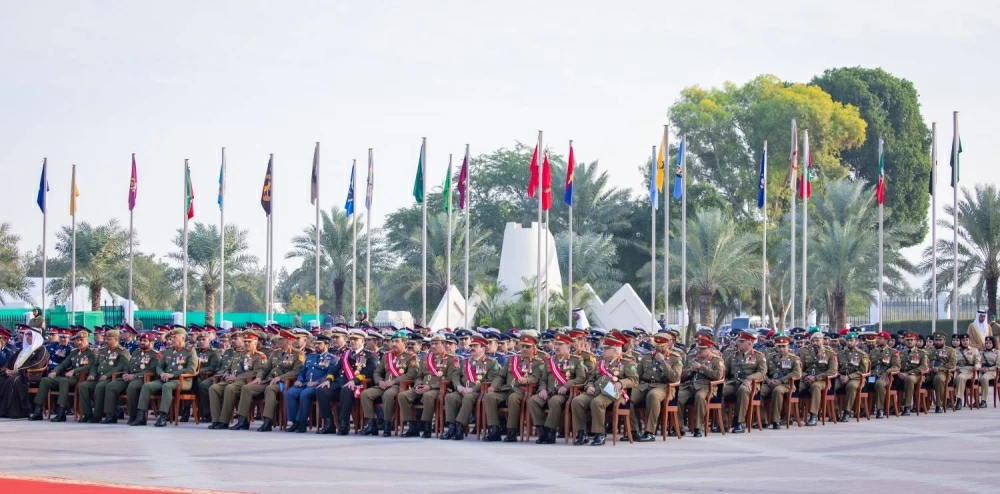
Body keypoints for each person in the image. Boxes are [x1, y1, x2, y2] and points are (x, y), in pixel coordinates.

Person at [570, 334, 638, 446]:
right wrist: (589, 386)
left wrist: (621, 383)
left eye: (607, 348)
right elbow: (591, 379)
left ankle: (599, 434)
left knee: (597, 403)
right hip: (596, 390)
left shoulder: (627, 362)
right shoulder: (600, 362)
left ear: (615, 350)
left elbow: (634, 380)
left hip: (613, 391)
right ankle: (582, 433)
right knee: (577, 401)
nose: (603, 350)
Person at [483, 332, 545, 443]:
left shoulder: (537, 363)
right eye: (523, 346)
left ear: (534, 347)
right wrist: (493, 386)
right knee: (489, 396)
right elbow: (500, 376)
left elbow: (536, 378)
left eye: (528, 346)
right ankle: (494, 429)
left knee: (513, 398)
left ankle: (511, 431)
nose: (524, 349)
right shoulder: (512, 360)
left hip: (521, 390)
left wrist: (526, 380)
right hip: (506, 388)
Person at [238, 330, 304, 432]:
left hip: (283, 383)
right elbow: (265, 368)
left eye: (281, 340)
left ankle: (267, 421)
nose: (278, 341)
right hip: (269, 380)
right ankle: (242, 420)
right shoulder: (275, 353)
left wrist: (280, 378)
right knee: (246, 388)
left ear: (288, 341)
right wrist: (259, 377)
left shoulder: (297, 354)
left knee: (270, 389)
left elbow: (296, 371)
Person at [132, 327, 199, 427]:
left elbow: (191, 369)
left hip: (182, 380)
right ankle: (141, 416)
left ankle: (163, 416)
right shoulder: (168, 351)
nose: (172, 340)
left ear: (182, 338)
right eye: (171, 337)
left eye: (175, 337)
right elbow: (159, 366)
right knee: (147, 386)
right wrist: (161, 373)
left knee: (166, 386)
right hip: (165, 378)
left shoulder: (190, 351)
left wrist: (173, 374)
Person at [399, 333, 460, 438]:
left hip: (438, 388)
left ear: (444, 344)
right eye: (432, 344)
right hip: (422, 386)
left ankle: (426, 427)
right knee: (402, 396)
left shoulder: (451, 359)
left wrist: (430, 387)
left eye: (436, 343)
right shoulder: (425, 358)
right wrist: (418, 385)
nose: (433, 346)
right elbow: (419, 376)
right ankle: (413, 426)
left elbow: (449, 378)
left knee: (428, 395)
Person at [442, 334, 501, 441]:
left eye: (475, 346)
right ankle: (451, 427)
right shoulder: (465, 361)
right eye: (471, 345)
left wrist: (473, 389)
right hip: (462, 390)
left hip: (478, 392)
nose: (472, 348)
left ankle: (460, 427)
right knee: (449, 397)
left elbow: (490, 380)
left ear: (483, 348)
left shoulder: (491, 363)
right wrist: (458, 386)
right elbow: (455, 375)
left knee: (468, 397)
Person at [317, 329, 375, 435]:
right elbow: (334, 370)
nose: (352, 342)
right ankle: (329, 423)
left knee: (346, 390)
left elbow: (369, 372)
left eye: (355, 339)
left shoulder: (368, 356)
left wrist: (354, 380)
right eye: (351, 339)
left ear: (363, 341)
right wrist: (328, 379)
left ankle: (344, 423)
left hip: (356, 386)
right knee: (321, 390)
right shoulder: (345, 355)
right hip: (339, 384)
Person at [628, 331, 683, 442]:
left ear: (668, 344)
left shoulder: (675, 358)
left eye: (661, 346)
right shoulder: (647, 356)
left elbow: (675, 378)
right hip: (645, 385)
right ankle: (634, 431)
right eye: (656, 346)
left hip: (664, 386)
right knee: (626, 398)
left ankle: (649, 432)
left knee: (652, 395)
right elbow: (638, 374)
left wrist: (662, 361)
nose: (658, 349)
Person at [359, 331, 417, 437]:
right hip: (384, 384)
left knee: (388, 395)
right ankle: (372, 424)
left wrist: (393, 381)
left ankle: (387, 424)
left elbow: (410, 375)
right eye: (393, 341)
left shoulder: (411, 357)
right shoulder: (387, 356)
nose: (394, 344)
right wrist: (379, 381)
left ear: (404, 343)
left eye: (397, 341)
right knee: (365, 394)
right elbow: (377, 372)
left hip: (399, 385)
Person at [33, 328, 96, 422]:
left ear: (87, 340)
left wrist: (74, 370)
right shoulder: (74, 352)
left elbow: (91, 366)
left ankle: (61, 411)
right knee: (45, 380)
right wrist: (55, 371)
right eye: (77, 340)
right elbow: (64, 364)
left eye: (82, 340)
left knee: (63, 380)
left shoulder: (92, 352)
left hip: (81, 377)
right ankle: (38, 411)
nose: (79, 342)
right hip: (71, 378)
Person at [210, 331, 267, 430]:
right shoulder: (237, 353)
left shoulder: (259, 356)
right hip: (230, 380)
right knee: (214, 388)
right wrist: (226, 376)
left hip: (244, 381)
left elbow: (256, 372)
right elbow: (228, 369)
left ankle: (224, 421)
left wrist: (237, 378)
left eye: (249, 342)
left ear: (255, 342)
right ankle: (216, 420)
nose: (246, 344)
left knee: (230, 389)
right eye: (245, 341)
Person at [104, 332, 160, 424]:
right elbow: (128, 366)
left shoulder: (155, 354)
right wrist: (125, 373)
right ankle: (111, 415)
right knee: (111, 386)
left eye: (145, 341)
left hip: (142, 378)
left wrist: (134, 376)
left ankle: (133, 415)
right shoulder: (136, 352)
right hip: (129, 376)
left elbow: (152, 371)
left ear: (152, 342)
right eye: (141, 340)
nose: (142, 342)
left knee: (132, 387)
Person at [77, 329, 130, 423]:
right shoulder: (102, 350)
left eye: (109, 339)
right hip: (98, 377)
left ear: (116, 339)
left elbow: (121, 367)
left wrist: (107, 375)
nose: (106, 341)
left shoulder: (122, 351)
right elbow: (95, 365)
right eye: (105, 338)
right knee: (83, 386)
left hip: (113, 378)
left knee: (100, 386)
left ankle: (98, 415)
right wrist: (92, 374)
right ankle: (88, 414)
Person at [285, 335, 333, 433]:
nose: (316, 346)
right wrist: (299, 380)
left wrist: (317, 382)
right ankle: (295, 422)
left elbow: (329, 374)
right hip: (305, 384)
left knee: (305, 394)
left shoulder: (331, 358)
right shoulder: (310, 356)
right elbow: (303, 371)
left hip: (318, 386)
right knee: (289, 393)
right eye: (315, 344)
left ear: (326, 345)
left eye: (319, 344)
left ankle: (301, 423)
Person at [722, 331, 767, 433]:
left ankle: (739, 422)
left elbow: (762, 372)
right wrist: (722, 380)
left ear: (750, 343)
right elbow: (725, 371)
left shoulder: (758, 356)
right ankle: (723, 422)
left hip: (750, 384)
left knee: (743, 390)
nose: (738, 343)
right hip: (733, 383)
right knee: (718, 391)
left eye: (742, 342)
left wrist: (749, 378)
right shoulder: (733, 355)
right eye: (738, 341)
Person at [1, 326, 49, 419]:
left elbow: (37, 364)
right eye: (27, 336)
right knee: (2, 378)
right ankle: (3, 410)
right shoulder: (23, 350)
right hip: (17, 373)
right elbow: (10, 361)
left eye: (30, 336)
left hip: (31, 376)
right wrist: (6, 369)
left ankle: (17, 412)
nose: (28, 338)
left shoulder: (41, 349)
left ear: (36, 337)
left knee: (13, 380)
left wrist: (17, 371)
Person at [760, 335, 801, 429]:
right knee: (757, 391)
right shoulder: (770, 357)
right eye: (779, 346)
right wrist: (768, 380)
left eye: (784, 346)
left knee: (777, 391)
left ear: (788, 346)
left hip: (786, 384)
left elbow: (797, 372)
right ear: (776, 347)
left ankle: (775, 420)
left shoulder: (793, 358)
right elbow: (763, 372)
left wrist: (781, 380)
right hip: (771, 383)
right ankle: (763, 419)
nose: (781, 349)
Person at [798, 331, 838, 426]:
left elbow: (833, 371)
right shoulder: (804, 351)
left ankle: (813, 416)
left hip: (822, 381)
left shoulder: (830, 353)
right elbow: (799, 368)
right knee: (795, 387)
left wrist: (816, 378)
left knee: (815, 387)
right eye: (813, 341)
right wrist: (805, 376)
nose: (815, 343)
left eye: (817, 340)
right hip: (806, 378)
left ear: (823, 341)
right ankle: (790, 414)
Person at [834, 332, 870, 422]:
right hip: (841, 377)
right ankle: (835, 410)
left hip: (856, 378)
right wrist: (840, 375)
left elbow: (863, 371)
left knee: (851, 386)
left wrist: (849, 377)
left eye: (851, 340)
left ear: (856, 341)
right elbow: (835, 368)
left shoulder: (862, 354)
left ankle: (846, 412)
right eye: (848, 340)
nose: (849, 342)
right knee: (831, 386)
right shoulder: (840, 353)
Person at [869, 331, 900, 419]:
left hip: (885, 376)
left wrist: (887, 372)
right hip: (873, 375)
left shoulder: (893, 352)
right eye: (877, 338)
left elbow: (896, 366)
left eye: (880, 339)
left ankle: (879, 409)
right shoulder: (873, 352)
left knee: (879, 384)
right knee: (863, 384)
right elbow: (869, 365)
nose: (877, 340)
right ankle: (864, 408)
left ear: (886, 340)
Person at [895, 332, 928, 415]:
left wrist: (908, 373)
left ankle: (907, 406)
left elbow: (924, 367)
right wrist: (899, 372)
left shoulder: (922, 353)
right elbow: (896, 365)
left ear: (916, 341)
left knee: (909, 379)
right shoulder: (900, 352)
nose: (909, 342)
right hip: (901, 374)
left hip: (916, 375)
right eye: (907, 340)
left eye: (911, 340)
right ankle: (891, 406)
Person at [926, 331, 958, 413]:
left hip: (943, 372)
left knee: (939, 379)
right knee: (919, 379)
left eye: (940, 340)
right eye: (936, 340)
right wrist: (928, 368)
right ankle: (921, 404)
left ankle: (939, 405)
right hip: (929, 372)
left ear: (944, 340)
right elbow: (924, 361)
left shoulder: (950, 350)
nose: (938, 342)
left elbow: (952, 364)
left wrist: (940, 368)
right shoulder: (928, 350)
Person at [953, 333, 980, 410]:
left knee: (960, 378)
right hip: (958, 369)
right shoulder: (955, 350)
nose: (965, 342)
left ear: (969, 340)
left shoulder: (974, 350)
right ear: (960, 341)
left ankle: (959, 400)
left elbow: (978, 362)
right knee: (949, 379)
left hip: (970, 371)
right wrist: (955, 367)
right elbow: (952, 362)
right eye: (963, 340)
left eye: (966, 340)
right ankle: (948, 400)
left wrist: (976, 367)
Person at [977, 336, 998, 408]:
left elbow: (998, 365)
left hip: (992, 371)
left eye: (990, 343)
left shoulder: (997, 352)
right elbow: (976, 361)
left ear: (993, 344)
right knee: (974, 379)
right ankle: (975, 401)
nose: (988, 344)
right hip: (981, 370)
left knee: (984, 378)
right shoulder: (980, 352)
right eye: (986, 343)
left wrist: (989, 369)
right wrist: (979, 367)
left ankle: (983, 401)